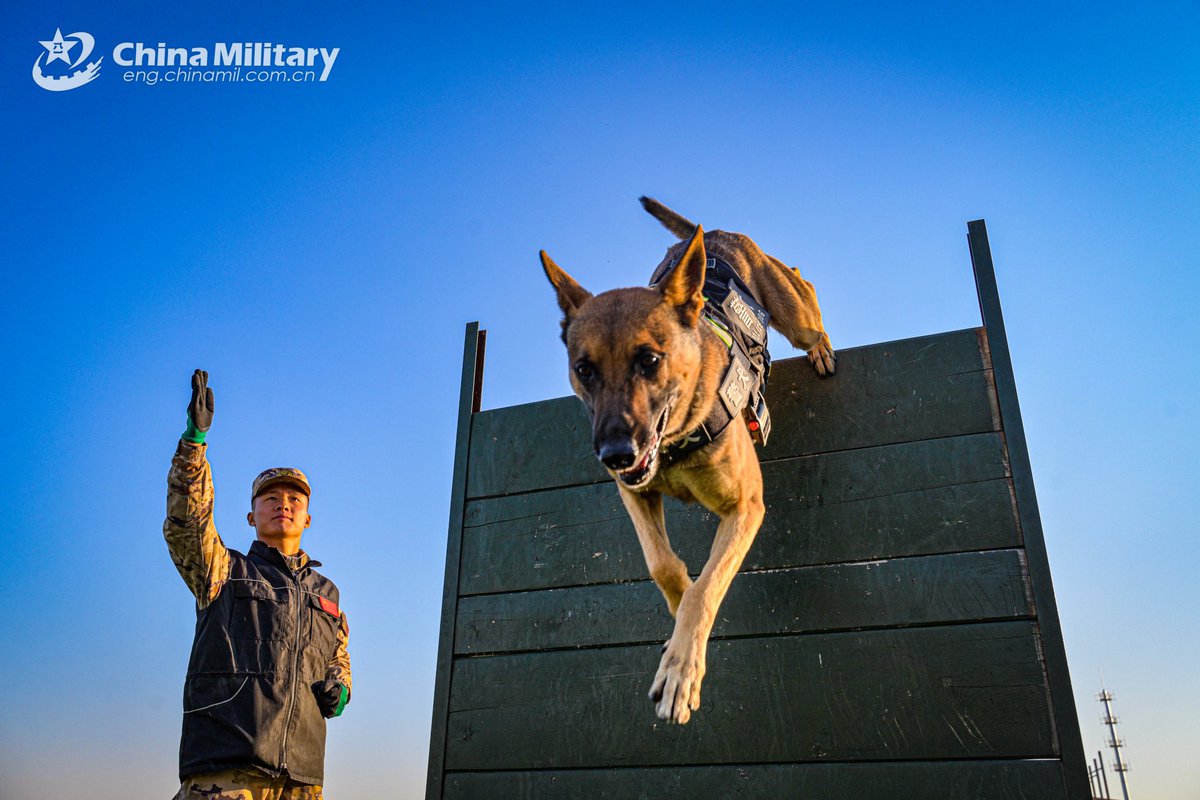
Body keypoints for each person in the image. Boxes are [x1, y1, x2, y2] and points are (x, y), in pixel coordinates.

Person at [164, 369, 351, 800]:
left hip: (301, 779)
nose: (283, 504)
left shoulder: (327, 594)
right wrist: (194, 445)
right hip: (228, 769)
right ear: (252, 516)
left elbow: (338, 659)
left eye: (294, 499)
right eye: (270, 498)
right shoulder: (222, 569)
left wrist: (340, 688)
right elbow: (187, 523)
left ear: (307, 518)